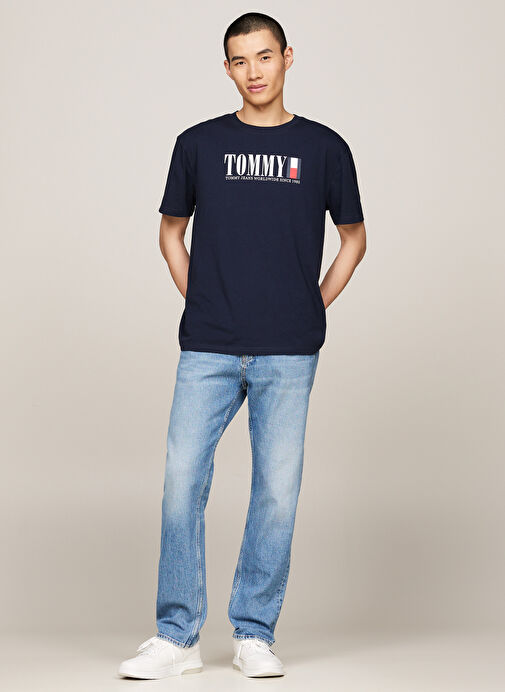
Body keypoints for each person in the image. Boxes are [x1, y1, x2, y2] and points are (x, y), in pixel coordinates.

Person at [118, 11, 366, 680]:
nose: (253, 71)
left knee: (276, 493)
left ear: (287, 57)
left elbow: (354, 239)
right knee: (181, 482)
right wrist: (200, 298)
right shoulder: (198, 144)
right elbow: (171, 232)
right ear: (226, 68)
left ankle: (254, 632)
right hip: (209, 346)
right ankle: (177, 636)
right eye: (239, 60)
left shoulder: (323, 148)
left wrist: (312, 303)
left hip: (288, 350)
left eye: (264, 56)